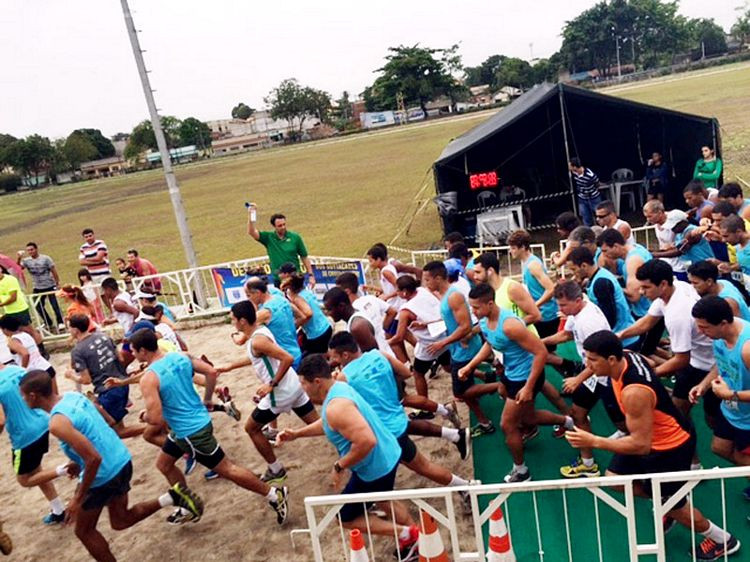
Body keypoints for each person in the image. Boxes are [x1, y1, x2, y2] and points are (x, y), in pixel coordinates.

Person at [566, 331, 740, 561]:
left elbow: (640, 445)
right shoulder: (627, 355)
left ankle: (723, 539)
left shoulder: (634, 393)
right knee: (615, 479)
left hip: (670, 446)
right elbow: (648, 366)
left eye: (592, 359)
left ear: (610, 360)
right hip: (650, 435)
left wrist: (594, 441)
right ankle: (664, 503)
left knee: (676, 506)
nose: (587, 364)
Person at [19, 370, 205, 561]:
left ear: (33, 395)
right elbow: (103, 421)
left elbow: (93, 459)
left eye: (23, 396)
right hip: (121, 460)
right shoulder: (73, 396)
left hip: (103, 475)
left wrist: (77, 498)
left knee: (84, 531)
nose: (23, 400)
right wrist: (77, 460)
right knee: (120, 520)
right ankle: (172, 497)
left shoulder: (57, 422)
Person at [131, 329, 289, 525]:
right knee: (163, 464)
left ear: (143, 351)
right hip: (193, 424)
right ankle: (187, 503)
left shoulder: (149, 378)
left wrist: (143, 416)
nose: (133, 356)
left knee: (227, 469)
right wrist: (207, 398)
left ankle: (274, 494)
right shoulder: (180, 356)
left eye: (134, 351)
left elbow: (155, 418)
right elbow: (211, 371)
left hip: (189, 432)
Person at [278, 355, 419, 559]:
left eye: (303, 383)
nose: (302, 388)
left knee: (345, 518)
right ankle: (414, 538)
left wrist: (339, 465)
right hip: (388, 454)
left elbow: (366, 441)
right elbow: (330, 423)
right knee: (383, 500)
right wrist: (297, 434)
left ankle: (406, 534)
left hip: (375, 467)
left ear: (317, 382)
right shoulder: (339, 388)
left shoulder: (336, 407)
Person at [327, 333, 473, 499]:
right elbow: (405, 372)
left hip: (385, 432)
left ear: (345, 354)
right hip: (397, 418)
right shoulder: (378, 354)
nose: (334, 362)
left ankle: (465, 487)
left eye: (335, 357)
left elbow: (338, 404)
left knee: (421, 467)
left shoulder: (344, 377)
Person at [466, 283, 575, 482]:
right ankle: (568, 421)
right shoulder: (484, 321)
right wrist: (471, 366)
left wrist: (528, 387)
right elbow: (489, 343)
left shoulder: (510, 325)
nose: (473, 311)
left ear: (490, 304)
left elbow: (541, 352)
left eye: (476, 307)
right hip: (511, 373)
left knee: (507, 425)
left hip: (525, 377)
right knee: (529, 419)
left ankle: (522, 471)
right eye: (471, 307)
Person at [215, 301, 319, 485]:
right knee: (318, 425)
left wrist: (271, 384)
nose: (232, 322)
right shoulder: (259, 332)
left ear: (243, 321)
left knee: (251, 428)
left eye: (233, 319)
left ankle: (276, 469)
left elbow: (287, 357)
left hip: (280, 393)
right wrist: (230, 366)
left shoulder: (257, 339)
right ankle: (351, 441)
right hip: (293, 386)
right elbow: (258, 355)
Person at [618, 260, 717, 442]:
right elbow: (647, 322)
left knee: (715, 423)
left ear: (663, 284)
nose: (641, 292)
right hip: (694, 363)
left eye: (646, 288)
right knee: (679, 412)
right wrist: (618, 336)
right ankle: (693, 463)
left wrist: (648, 374)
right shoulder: (673, 288)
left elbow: (681, 360)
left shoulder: (678, 314)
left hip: (712, 366)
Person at [540, 281, 624, 477]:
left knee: (625, 423)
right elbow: (566, 335)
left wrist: (577, 379)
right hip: (594, 374)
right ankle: (588, 464)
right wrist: (538, 343)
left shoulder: (589, 322)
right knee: (578, 413)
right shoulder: (576, 312)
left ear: (578, 300)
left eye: (563, 306)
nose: (559, 310)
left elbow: (600, 360)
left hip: (605, 375)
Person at [421, 261, 500, 438]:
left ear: (439, 278)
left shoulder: (453, 296)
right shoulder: (444, 295)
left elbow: (465, 326)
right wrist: (427, 324)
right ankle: (484, 420)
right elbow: (451, 320)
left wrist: (442, 343)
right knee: (465, 387)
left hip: (464, 349)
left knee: (461, 392)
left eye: (427, 279)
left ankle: (499, 386)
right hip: (458, 347)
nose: (425, 283)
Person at [690, 296, 750, 498]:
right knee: (720, 448)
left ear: (723, 323)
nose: (700, 332)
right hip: (731, 410)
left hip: (747, 419)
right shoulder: (719, 338)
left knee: (742, 457)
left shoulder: (747, 347)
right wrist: (703, 384)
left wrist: (729, 394)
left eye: (705, 327)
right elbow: (721, 365)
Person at [0, 364, 67, 525]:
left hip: (24, 437)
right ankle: (58, 510)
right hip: (44, 423)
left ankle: (65, 469)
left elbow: (0, 421)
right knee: (36, 471)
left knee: (24, 479)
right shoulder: (17, 369)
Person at [64, 314, 144, 439]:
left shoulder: (78, 351)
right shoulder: (103, 336)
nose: (68, 330)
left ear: (75, 330)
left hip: (108, 390)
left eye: (69, 327)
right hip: (122, 383)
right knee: (116, 426)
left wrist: (71, 376)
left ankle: (157, 427)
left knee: (117, 431)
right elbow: (121, 358)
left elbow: (86, 380)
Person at [388, 276, 450, 400]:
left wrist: (384, 343)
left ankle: (425, 406)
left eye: (398, 290)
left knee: (418, 374)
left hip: (429, 344)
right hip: (443, 335)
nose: (397, 293)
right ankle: (482, 375)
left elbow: (399, 337)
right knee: (449, 367)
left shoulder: (405, 311)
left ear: (404, 291)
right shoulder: (423, 291)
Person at [567, 247, 638, 349]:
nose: (573, 273)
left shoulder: (601, 283)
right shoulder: (597, 276)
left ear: (584, 266)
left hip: (623, 339)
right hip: (622, 335)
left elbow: (609, 317)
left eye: (574, 269)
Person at [507, 230, 559, 339]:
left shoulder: (533, 265)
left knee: (543, 351)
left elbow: (550, 289)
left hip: (546, 315)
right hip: (541, 314)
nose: (510, 251)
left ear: (523, 247)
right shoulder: (526, 263)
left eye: (513, 248)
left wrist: (534, 307)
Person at [246, 205, 314, 287]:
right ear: (274, 226)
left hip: (295, 279)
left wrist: (311, 275)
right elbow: (252, 232)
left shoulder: (295, 237)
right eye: (280, 226)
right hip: (279, 280)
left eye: (284, 224)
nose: (283, 227)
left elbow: (304, 256)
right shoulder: (268, 237)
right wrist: (251, 215)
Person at [245, 277, 302, 369]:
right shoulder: (281, 299)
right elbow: (302, 316)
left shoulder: (264, 312)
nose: (249, 299)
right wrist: (288, 329)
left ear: (257, 293)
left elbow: (242, 338)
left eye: (249, 295)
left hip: (283, 358)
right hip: (295, 350)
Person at [335, 272, 397, 355]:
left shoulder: (351, 312)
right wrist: (382, 328)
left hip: (373, 358)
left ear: (347, 291)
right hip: (387, 352)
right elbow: (392, 312)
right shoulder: (370, 298)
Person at [324, 286, 393, 357]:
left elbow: (374, 359)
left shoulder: (357, 327)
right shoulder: (354, 319)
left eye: (329, 309)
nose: (328, 313)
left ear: (341, 306)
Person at [0, 315, 57, 393]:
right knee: (55, 400)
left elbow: (25, 354)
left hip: (35, 374)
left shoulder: (13, 341)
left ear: (5, 329)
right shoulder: (26, 335)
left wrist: (22, 370)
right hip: (47, 367)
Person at [281, 270, 332, 355]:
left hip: (316, 334)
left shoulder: (298, 299)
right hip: (325, 327)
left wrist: (295, 325)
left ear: (291, 288)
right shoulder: (307, 292)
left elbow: (308, 314)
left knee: (315, 359)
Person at [16, 242, 64, 331]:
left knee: (54, 305)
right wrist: (19, 258)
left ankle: (60, 322)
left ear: (36, 249)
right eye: (28, 250)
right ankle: (48, 322)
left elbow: (53, 270)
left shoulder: (45, 258)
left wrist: (57, 283)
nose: (30, 252)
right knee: (37, 305)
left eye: (32, 249)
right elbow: (18, 268)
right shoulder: (27, 261)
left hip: (49, 285)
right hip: (37, 287)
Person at [0, 266, 44, 353]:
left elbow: (13, 297)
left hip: (19, 309)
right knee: (15, 332)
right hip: (9, 311)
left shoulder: (10, 280)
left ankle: (41, 349)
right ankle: (22, 350)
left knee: (29, 330)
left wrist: (1, 304)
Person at [643, 200, 687, 281]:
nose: (648, 220)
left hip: (680, 266)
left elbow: (679, 248)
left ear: (659, 213)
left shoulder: (675, 222)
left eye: (650, 216)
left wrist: (654, 254)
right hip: (666, 264)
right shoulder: (656, 224)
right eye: (646, 217)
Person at [569, 157, 602, 226]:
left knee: (600, 216)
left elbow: (597, 183)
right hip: (582, 199)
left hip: (593, 198)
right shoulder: (573, 173)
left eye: (570, 166)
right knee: (586, 218)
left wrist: (591, 191)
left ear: (574, 167)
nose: (569, 167)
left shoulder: (590, 175)